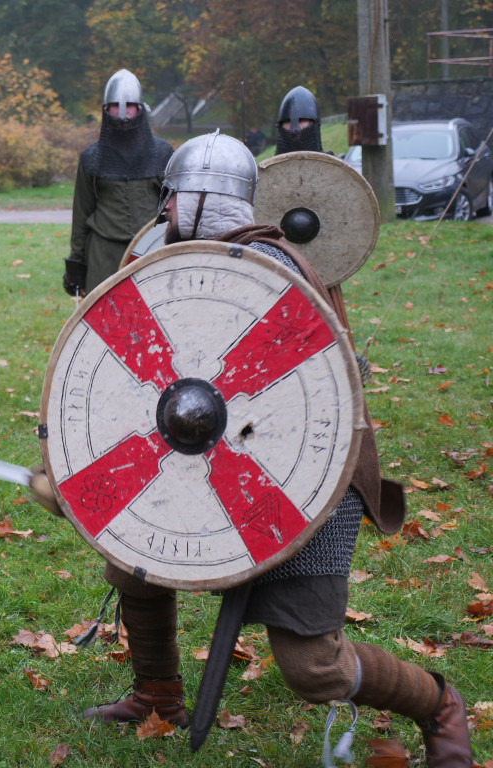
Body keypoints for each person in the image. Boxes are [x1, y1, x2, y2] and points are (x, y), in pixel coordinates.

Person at [79, 131, 473, 767]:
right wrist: (79, 477)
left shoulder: (279, 270)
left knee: (312, 667)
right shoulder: (156, 261)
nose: (180, 210)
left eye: (187, 198)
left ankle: (438, 705)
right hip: (190, 450)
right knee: (135, 556)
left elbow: (304, 407)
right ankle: (156, 695)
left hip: (299, 474)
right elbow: (123, 376)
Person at [63, 69, 174, 297]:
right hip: (103, 254)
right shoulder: (91, 158)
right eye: (116, 106)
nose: (123, 113)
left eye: (129, 106)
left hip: (150, 248)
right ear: (106, 109)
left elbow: (175, 210)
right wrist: (76, 265)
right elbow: (81, 215)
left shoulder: (162, 154)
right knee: (104, 317)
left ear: (140, 109)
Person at [275, 85, 324, 154]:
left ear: (314, 124)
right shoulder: (267, 165)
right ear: (280, 125)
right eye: (288, 121)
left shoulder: (332, 164)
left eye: (301, 120)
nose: (294, 129)